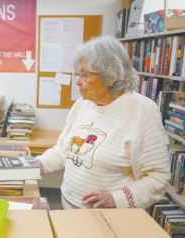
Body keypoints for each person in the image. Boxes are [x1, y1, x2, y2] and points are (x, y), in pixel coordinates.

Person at [36, 36, 170, 209]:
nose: (77, 81)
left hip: (108, 218)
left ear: (111, 73)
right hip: (68, 210)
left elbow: (158, 177)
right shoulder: (82, 104)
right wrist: (34, 165)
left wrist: (116, 199)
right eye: (78, 74)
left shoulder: (142, 111)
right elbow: (62, 151)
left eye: (84, 74)